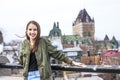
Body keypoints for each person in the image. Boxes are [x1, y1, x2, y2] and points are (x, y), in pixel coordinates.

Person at [19, 20, 85, 80]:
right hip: (28, 76)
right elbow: (22, 59)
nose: (32, 32)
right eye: (30, 30)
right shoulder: (25, 43)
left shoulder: (43, 42)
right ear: (26, 31)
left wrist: (72, 62)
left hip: (41, 76)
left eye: (35, 30)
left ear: (38, 31)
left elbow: (56, 53)